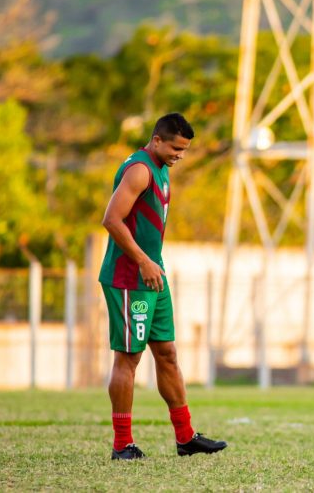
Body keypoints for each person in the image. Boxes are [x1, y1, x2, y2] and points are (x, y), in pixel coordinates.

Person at [99, 113, 227, 460]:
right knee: (128, 358)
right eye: (175, 148)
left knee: (167, 355)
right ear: (156, 140)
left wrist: (151, 264)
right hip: (129, 277)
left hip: (153, 276)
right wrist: (142, 260)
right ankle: (122, 444)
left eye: (184, 150)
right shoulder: (139, 170)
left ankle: (186, 438)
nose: (179, 155)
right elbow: (111, 219)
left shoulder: (163, 170)